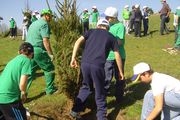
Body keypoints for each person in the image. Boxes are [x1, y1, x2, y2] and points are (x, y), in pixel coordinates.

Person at [69, 19, 124, 120]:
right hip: (97, 66)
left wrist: (73, 58)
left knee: (86, 87)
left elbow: (77, 42)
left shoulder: (90, 32)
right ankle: (101, 117)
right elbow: (117, 55)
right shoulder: (111, 37)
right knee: (100, 91)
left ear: (98, 25)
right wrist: (120, 71)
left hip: (84, 64)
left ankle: (75, 110)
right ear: (107, 27)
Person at [26, 9, 57, 95]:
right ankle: (50, 90)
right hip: (37, 50)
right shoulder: (44, 24)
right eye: (51, 16)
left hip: (28, 50)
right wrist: (50, 54)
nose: (51, 18)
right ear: (47, 15)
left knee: (29, 73)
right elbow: (45, 41)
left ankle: (21, 93)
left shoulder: (34, 23)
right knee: (49, 68)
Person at [0, 42, 34, 120]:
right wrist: (23, 93)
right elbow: (22, 84)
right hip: (8, 98)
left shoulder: (12, 61)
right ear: (31, 53)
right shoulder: (26, 60)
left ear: (19, 52)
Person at [104, 7, 126, 102]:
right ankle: (102, 97)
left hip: (119, 56)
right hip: (108, 56)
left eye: (108, 17)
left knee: (119, 77)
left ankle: (119, 97)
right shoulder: (108, 25)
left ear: (114, 17)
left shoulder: (120, 26)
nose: (107, 19)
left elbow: (120, 42)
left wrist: (108, 40)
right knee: (106, 77)